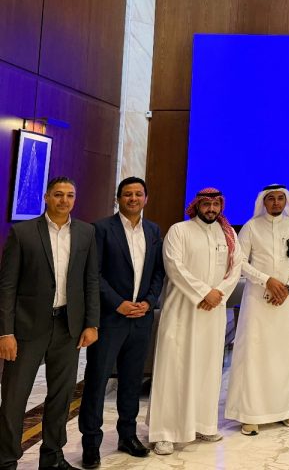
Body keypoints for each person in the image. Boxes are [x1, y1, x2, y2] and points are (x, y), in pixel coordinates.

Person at [0, 177, 99, 470]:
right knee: (15, 398)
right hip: (27, 328)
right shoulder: (23, 233)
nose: (64, 200)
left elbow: (91, 280)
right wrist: (5, 332)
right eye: (58, 194)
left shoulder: (86, 233)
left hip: (69, 327)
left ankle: (53, 457)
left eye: (70, 195)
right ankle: (6, 460)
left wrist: (92, 323)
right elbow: (7, 286)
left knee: (61, 395)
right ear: (46, 198)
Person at [148, 188, 242, 455]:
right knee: (173, 369)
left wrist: (218, 293)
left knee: (208, 368)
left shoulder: (228, 234)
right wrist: (203, 293)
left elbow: (236, 268)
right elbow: (174, 266)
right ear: (197, 206)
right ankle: (164, 433)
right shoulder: (179, 230)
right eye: (206, 204)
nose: (211, 209)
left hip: (213, 313)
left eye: (215, 204)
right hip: (182, 311)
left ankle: (203, 424)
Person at [79, 177, 165, 468]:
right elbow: (94, 273)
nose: (133, 198)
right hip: (110, 318)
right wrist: (118, 303)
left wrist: (149, 302)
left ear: (146, 199)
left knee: (131, 381)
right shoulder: (101, 229)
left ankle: (127, 436)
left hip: (141, 319)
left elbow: (158, 272)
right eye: (127, 194)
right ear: (118, 199)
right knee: (97, 380)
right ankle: (91, 443)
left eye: (138, 194)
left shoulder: (153, 230)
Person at [225, 185, 289, 434]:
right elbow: (239, 262)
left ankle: (286, 410)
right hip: (257, 300)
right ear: (263, 201)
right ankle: (250, 414)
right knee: (255, 355)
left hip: (286, 300)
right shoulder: (251, 227)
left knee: (284, 355)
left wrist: (288, 285)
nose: (276, 202)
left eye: (280, 198)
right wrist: (267, 280)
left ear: (286, 201)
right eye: (271, 199)